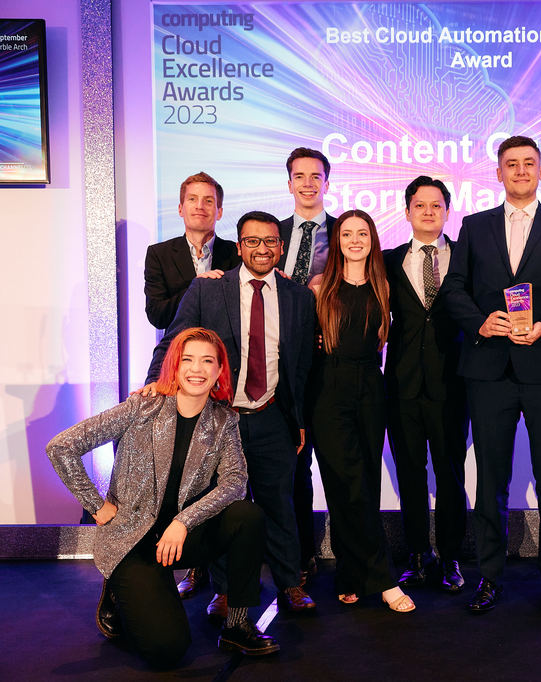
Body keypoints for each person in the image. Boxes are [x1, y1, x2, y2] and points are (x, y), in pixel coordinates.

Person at [46, 327, 277, 668]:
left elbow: (235, 481)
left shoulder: (223, 420)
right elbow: (62, 447)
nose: (196, 369)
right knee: (167, 650)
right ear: (174, 365)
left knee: (247, 515)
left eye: (207, 361)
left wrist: (183, 522)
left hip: (181, 537)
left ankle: (237, 625)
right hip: (133, 541)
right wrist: (96, 505)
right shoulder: (143, 406)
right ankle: (118, 591)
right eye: (187, 360)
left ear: (219, 371)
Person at [441, 135, 541, 614]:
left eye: (529, 163)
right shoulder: (475, 226)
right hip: (489, 370)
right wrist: (480, 323)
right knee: (490, 481)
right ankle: (489, 576)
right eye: (512, 164)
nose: (521, 171)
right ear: (499, 173)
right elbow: (454, 289)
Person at [146, 211, 317, 617]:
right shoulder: (208, 290)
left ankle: (290, 583)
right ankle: (223, 591)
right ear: (239, 247)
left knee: (279, 505)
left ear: (281, 247)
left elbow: (302, 365)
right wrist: (154, 383)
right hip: (219, 420)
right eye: (252, 241)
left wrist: (299, 420)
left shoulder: (298, 297)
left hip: (272, 417)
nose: (262, 249)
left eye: (270, 241)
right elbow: (174, 341)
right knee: (221, 508)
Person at [309, 209, 415, 612]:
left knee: (364, 484)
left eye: (362, 234)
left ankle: (351, 574)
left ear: (372, 240)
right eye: (347, 234)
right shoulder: (319, 287)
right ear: (336, 241)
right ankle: (385, 580)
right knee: (347, 483)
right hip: (328, 390)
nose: (355, 240)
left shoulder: (384, 286)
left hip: (372, 388)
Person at [384, 176, 469, 593]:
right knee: (410, 473)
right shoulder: (387, 260)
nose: (428, 212)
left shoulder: (467, 257)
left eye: (436, 205)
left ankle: (451, 556)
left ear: (447, 212)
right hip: (402, 386)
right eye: (420, 205)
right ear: (407, 212)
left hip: (453, 384)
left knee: (451, 475)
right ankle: (418, 555)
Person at [277, 146, 337, 585]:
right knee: (292, 466)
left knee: (334, 463)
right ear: (290, 183)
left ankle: (348, 555)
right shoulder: (271, 235)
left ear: (327, 182)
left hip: (329, 364)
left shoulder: (347, 232)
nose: (308, 183)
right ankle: (298, 556)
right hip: (278, 367)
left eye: (316, 176)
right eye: (300, 176)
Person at [144, 172, 240, 331]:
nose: (199, 206)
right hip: (180, 344)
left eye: (208, 201)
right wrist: (196, 287)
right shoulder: (159, 254)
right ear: (180, 209)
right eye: (192, 199)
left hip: (225, 344)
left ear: (219, 212)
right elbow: (157, 316)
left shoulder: (237, 253)